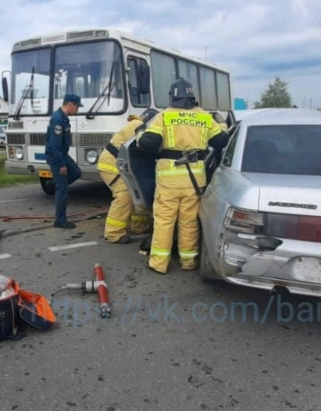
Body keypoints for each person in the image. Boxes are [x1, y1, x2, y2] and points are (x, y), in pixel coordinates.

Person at [136, 79, 228, 273]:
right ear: (192, 96)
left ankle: (159, 264)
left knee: (164, 221)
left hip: (169, 179)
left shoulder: (165, 116)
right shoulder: (204, 117)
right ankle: (188, 262)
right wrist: (223, 124)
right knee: (189, 222)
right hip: (195, 180)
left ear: (172, 96)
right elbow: (220, 141)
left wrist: (140, 131)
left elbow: (148, 143)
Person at [97, 109, 157, 244]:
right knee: (124, 195)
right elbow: (143, 145)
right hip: (112, 165)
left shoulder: (139, 124)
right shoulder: (137, 125)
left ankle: (139, 226)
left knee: (137, 194)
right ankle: (113, 233)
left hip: (121, 164)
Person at [44, 93, 83, 229]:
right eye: (77, 107)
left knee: (77, 172)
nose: (77, 110)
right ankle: (60, 220)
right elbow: (55, 145)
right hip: (56, 156)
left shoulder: (64, 118)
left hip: (61, 154)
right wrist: (61, 165)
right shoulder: (58, 119)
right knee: (63, 189)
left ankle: (54, 183)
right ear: (70, 105)